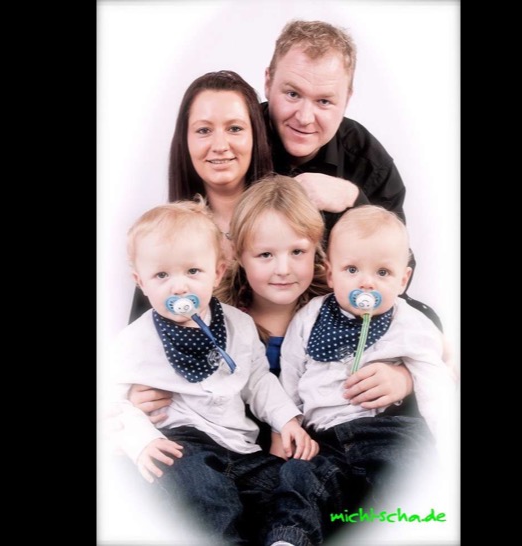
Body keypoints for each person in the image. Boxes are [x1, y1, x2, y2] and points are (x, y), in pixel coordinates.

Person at [131, 175, 420, 452]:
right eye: (265, 255)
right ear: (238, 255)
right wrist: (133, 398)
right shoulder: (212, 317)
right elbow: (140, 359)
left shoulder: (342, 303)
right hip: (239, 455)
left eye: (297, 252)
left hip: (338, 447)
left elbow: (426, 334)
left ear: (317, 250)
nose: (283, 269)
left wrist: (405, 378)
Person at [106, 197, 320, 545]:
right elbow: (112, 401)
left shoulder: (238, 325)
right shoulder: (134, 341)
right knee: (198, 489)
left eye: (193, 271)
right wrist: (141, 441)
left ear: (218, 272)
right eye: (162, 275)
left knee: (293, 479)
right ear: (140, 281)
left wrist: (287, 421)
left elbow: (257, 380)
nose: (179, 287)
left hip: (242, 449)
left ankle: (286, 537)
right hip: (183, 445)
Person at [273, 205, 457, 542]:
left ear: (403, 280)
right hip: (323, 438)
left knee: (408, 472)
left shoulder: (411, 323)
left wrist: (446, 444)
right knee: (298, 478)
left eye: (383, 272)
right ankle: (290, 535)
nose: (367, 282)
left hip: (387, 431)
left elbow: (435, 383)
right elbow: (291, 373)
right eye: (352, 269)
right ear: (330, 274)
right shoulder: (310, 317)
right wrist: (289, 425)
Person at [261, 19, 446, 329]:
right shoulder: (234, 139)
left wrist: (355, 201)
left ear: (346, 99)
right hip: (250, 301)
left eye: (324, 101)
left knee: (427, 325)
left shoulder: (370, 162)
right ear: (268, 82)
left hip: (338, 313)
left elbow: (397, 274)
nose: (304, 117)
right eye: (292, 94)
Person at [127, 69, 274, 322]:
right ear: (185, 141)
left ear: (255, 136)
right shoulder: (162, 236)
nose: (220, 145)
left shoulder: (287, 222)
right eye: (204, 130)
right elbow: (141, 336)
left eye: (235, 128)